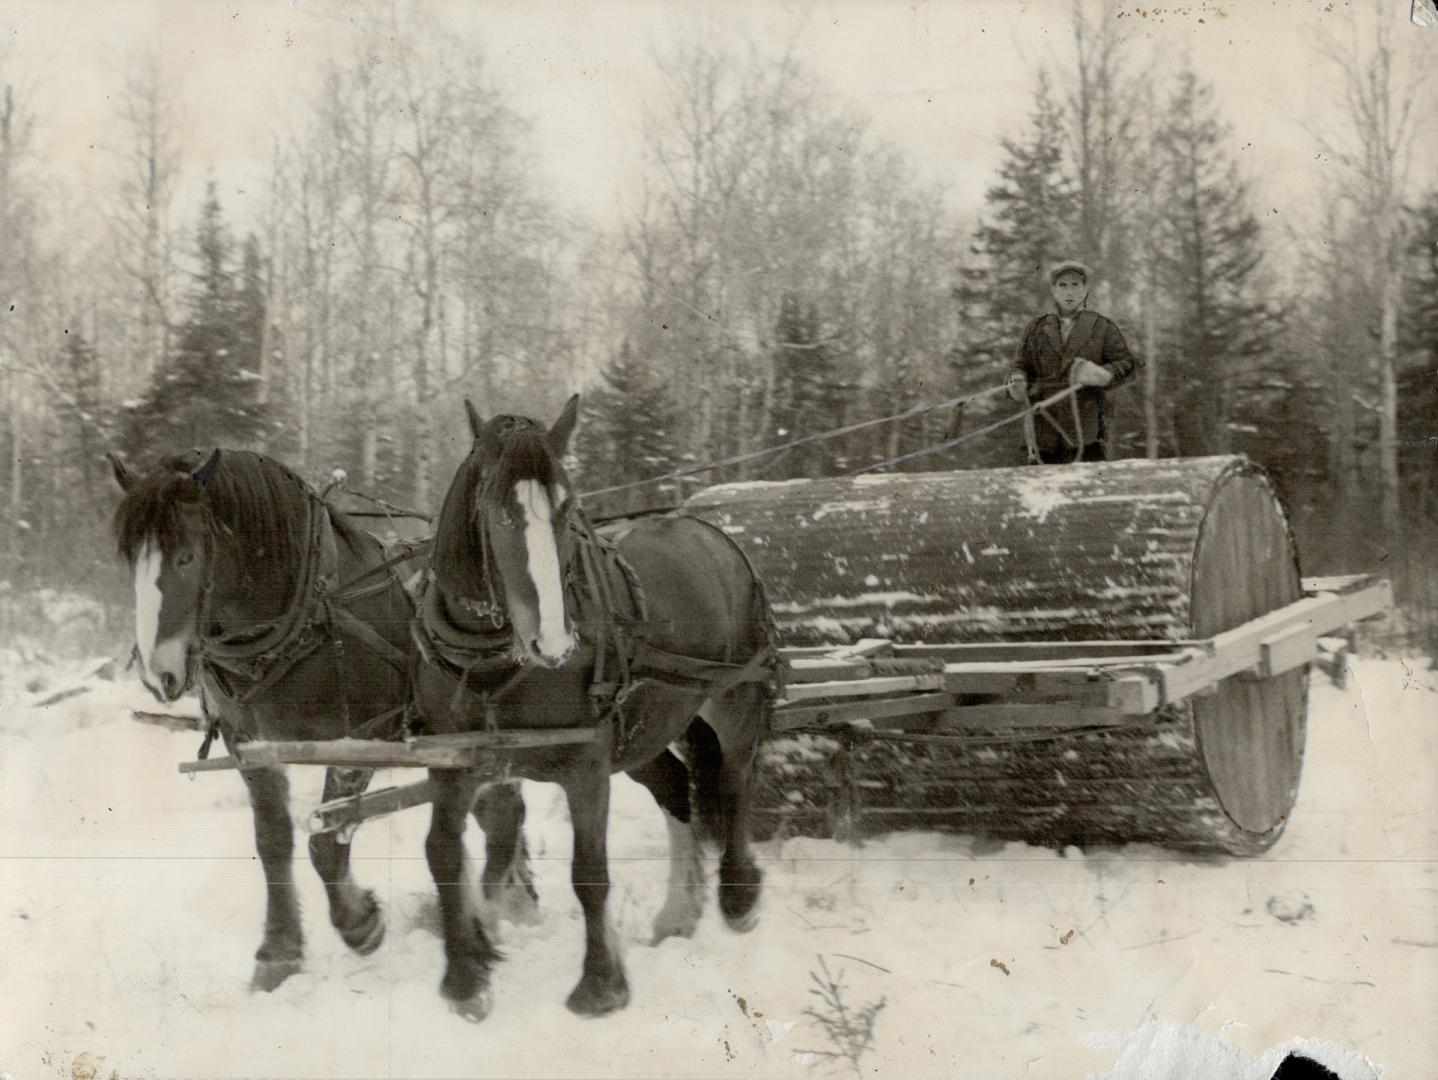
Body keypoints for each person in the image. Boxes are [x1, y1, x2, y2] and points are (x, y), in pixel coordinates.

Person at [1007, 260, 1141, 464]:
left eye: (1075, 285)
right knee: (1039, 489)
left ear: (1085, 289)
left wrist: (1103, 374)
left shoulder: (1101, 327)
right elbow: (1020, 364)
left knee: (1086, 486)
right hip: (1043, 426)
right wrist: (1016, 381)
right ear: (1054, 290)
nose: (1069, 292)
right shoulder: (1036, 328)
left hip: (1086, 428)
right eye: (1063, 285)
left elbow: (1127, 363)